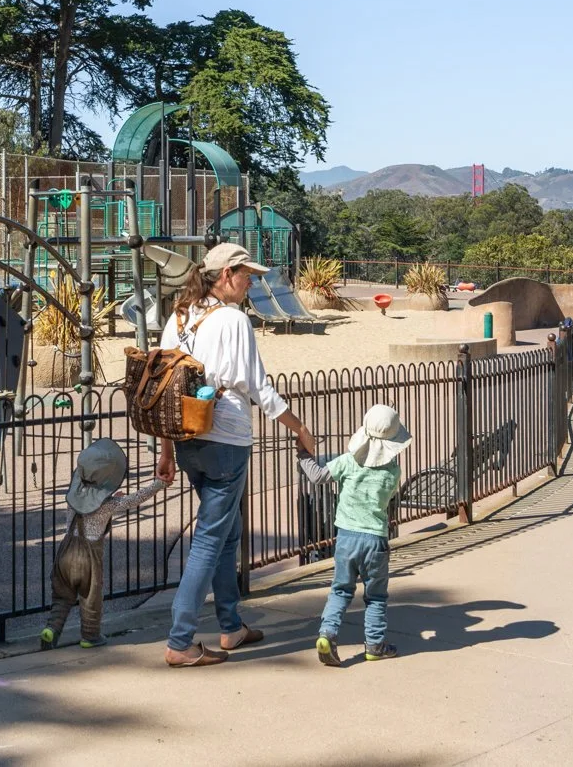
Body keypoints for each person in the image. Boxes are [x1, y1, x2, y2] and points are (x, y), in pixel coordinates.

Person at [156, 241, 319, 668]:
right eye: (247, 275)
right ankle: (181, 640)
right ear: (226, 275)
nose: (251, 283)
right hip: (225, 439)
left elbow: (166, 391)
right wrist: (300, 428)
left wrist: (167, 451)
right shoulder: (232, 320)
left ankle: (230, 626)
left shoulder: (178, 318)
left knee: (228, 532)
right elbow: (258, 388)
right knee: (211, 536)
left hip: (187, 437)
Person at [40, 439, 167, 650]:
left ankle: (51, 630)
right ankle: (90, 636)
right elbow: (133, 500)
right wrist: (158, 484)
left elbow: (88, 498)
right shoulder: (107, 506)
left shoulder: (73, 495)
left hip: (65, 554)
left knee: (62, 596)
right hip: (89, 559)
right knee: (91, 598)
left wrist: (106, 497)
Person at [313, 404, 410, 666]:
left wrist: (303, 454)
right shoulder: (393, 472)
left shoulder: (347, 462)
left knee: (341, 590)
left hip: (346, 538)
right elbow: (387, 499)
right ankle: (375, 645)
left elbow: (318, 475)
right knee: (376, 596)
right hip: (375, 540)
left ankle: (328, 633)